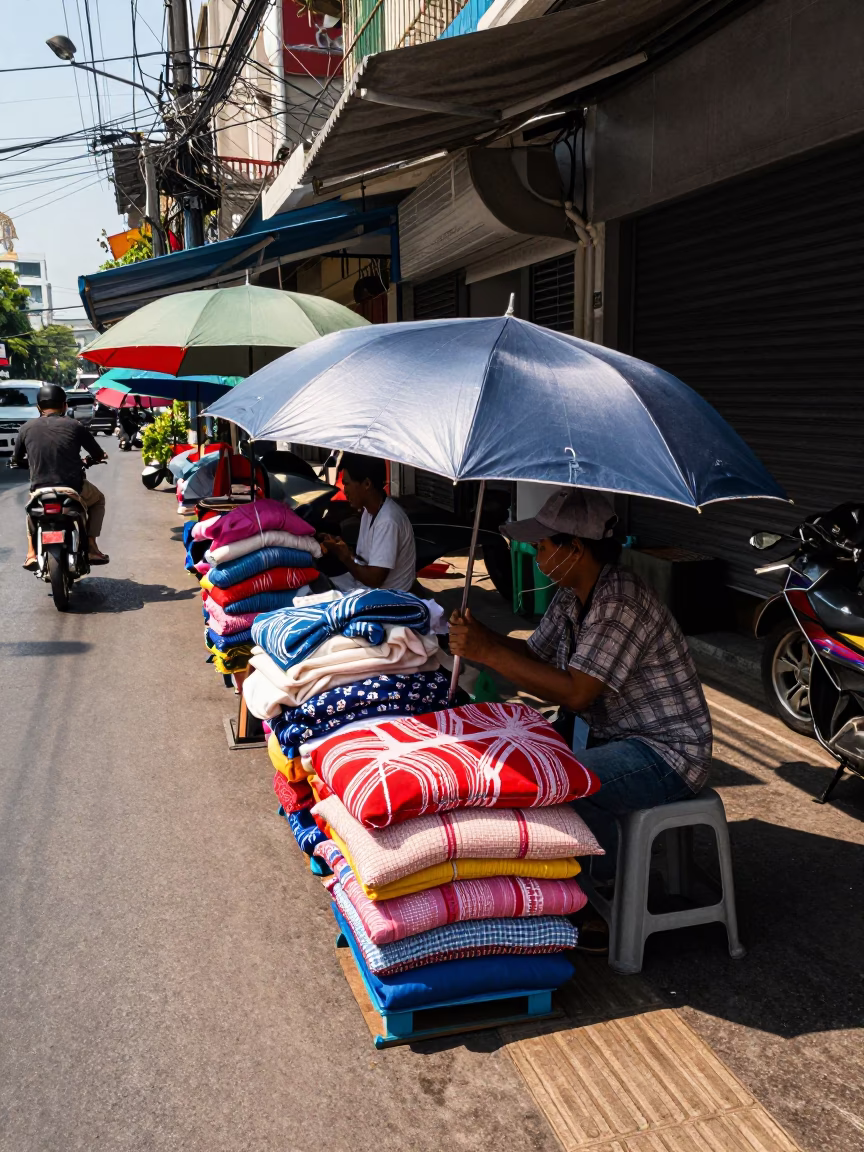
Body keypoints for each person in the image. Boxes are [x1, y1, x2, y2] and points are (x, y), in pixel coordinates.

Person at [448, 487, 712, 879]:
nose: (537, 556)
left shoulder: (620, 600)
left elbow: (577, 692)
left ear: (573, 548)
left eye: (541, 546)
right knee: (513, 753)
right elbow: (536, 656)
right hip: (614, 735)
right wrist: (482, 636)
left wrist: (488, 652)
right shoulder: (572, 594)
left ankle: (595, 896)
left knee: (562, 784)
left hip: (666, 753)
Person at [13, 383, 110, 569]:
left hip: (40, 488)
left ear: (39, 407)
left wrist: (20, 462)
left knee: (31, 511)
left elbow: (16, 459)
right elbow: (97, 454)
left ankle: (31, 553)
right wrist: (95, 459)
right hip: (73, 488)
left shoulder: (26, 428)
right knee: (98, 500)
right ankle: (91, 546)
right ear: (64, 405)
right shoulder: (75, 425)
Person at [319, 452, 416, 592]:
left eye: (347, 484)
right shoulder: (369, 512)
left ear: (366, 484)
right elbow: (364, 559)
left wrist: (345, 557)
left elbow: (374, 580)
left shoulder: (388, 521)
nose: (344, 491)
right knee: (320, 582)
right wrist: (342, 549)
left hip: (388, 600)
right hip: (368, 589)